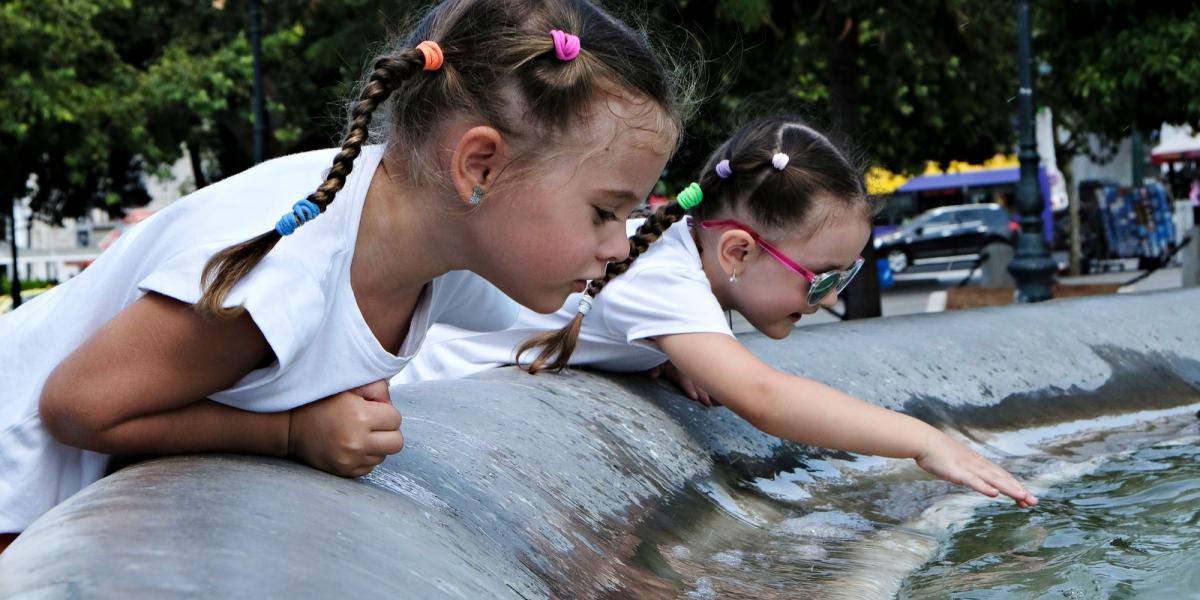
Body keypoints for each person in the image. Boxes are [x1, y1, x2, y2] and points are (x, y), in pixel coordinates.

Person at [0, 0, 688, 552]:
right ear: (481, 165)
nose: (616, 246)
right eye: (605, 211)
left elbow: (559, 315)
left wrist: (663, 349)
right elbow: (77, 407)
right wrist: (293, 435)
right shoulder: (283, 279)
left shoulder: (427, 233)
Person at [397, 116, 1039, 508]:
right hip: (426, 400)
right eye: (821, 280)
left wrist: (668, 357)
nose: (834, 299)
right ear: (737, 251)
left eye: (847, 277)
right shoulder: (662, 273)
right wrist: (924, 442)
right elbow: (764, 396)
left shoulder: (676, 262)